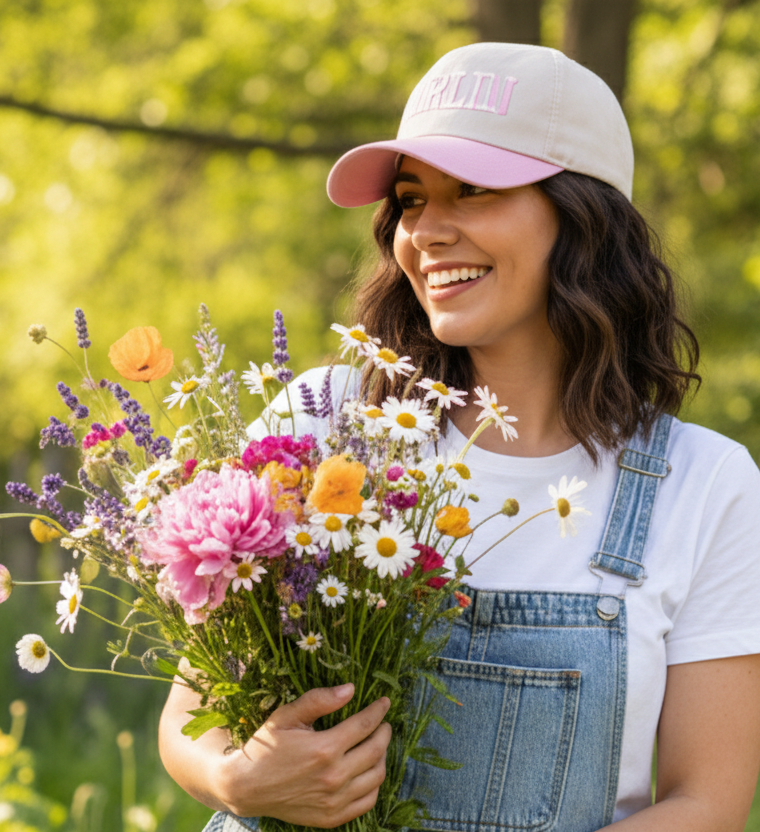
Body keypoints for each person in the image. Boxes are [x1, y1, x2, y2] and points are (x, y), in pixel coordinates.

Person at [158, 42, 760, 831]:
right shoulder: (320, 421)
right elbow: (188, 720)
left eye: (473, 190)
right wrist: (238, 781)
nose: (427, 232)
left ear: (585, 218)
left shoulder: (703, 483)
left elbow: (706, 802)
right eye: (411, 199)